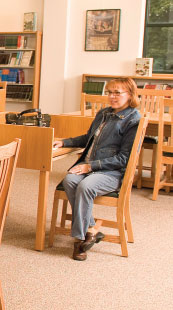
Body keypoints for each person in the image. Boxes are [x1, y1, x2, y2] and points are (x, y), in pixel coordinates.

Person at [53, 77, 141, 261]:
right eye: (109, 92)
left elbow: (124, 158)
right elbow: (87, 138)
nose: (112, 96)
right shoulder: (103, 113)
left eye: (118, 92)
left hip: (111, 172)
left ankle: (79, 241)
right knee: (69, 181)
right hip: (89, 167)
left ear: (130, 94)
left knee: (86, 187)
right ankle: (91, 228)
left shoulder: (133, 118)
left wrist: (90, 166)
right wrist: (64, 142)